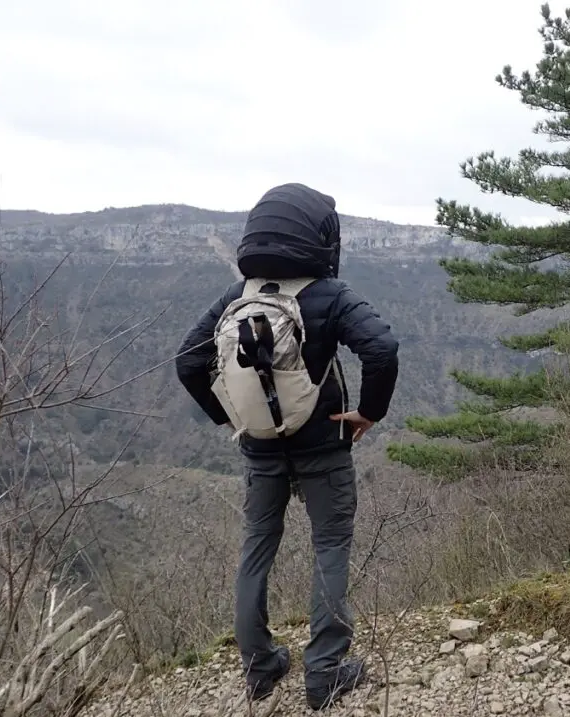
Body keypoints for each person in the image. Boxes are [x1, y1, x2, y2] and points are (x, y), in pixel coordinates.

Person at [174, 183, 399, 711]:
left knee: (256, 551)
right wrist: (370, 412)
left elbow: (188, 362)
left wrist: (232, 417)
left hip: (260, 453)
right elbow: (381, 347)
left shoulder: (240, 295)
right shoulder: (329, 294)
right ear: (320, 238)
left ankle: (260, 667)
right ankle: (324, 672)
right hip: (324, 446)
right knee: (330, 547)